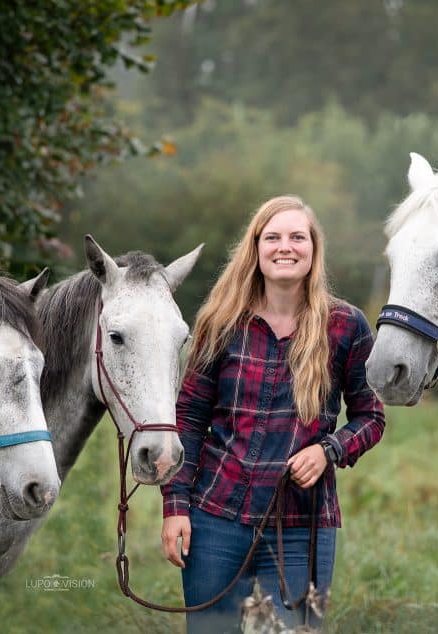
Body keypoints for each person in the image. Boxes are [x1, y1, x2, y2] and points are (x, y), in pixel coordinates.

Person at [160, 195, 386, 632]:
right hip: (215, 517)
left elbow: (371, 417)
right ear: (256, 248)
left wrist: (329, 450)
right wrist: (175, 507)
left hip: (302, 526)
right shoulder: (221, 322)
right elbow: (187, 420)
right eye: (274, 237)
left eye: (297, 237)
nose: (286, 246)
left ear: (313, 249)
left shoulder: (347, 326)